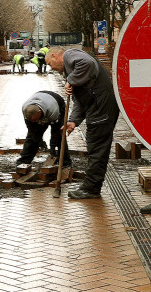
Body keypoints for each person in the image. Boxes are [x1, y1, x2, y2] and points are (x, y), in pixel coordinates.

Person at [45, 46, 119, 200]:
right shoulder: (73, 70)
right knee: (94, 147)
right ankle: (90, 186)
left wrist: (70, 80)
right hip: (97, 107)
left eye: (50, 64)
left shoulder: (71, 56)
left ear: (54, 55)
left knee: (97, 148)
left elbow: (88, 63)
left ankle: (91, 189)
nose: (51, 68)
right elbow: (80, 100)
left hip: (101, 108)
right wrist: (73, 121)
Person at [16, 89, 71, 172]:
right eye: (32, 121)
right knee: (32, 137)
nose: (35, 122)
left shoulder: (53, 110)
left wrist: (52, 147)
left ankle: (65, 162)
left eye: (35, 120)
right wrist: (38, 140)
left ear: (39, 112)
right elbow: (32, 130)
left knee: (60, 135)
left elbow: (55, 131)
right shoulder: (25, 109)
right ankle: (24, 161)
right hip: (41, 103)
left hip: (58, 103)